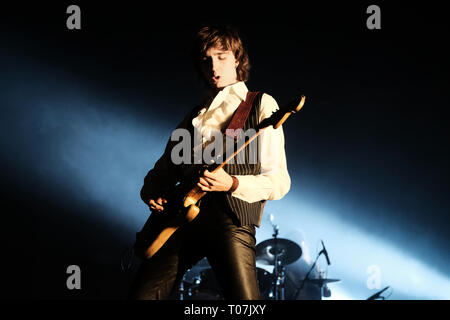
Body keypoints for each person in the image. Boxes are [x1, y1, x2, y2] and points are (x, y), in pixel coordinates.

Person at [128, 25, 291, 300]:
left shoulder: (260, 105)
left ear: (237, 59)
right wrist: (152, 191)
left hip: (230, 218)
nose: (213, 66)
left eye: (222, 56)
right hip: (181, 218)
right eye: (206, 59)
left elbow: (280, 182)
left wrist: (232, 182)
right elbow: (162, 170)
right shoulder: (195, 116)